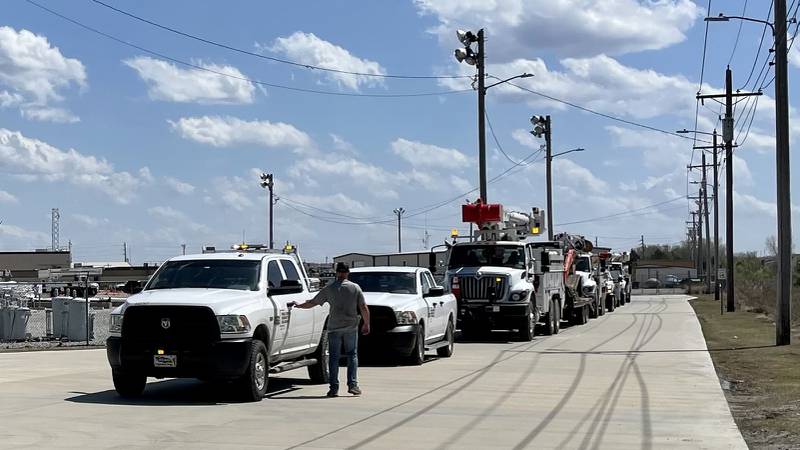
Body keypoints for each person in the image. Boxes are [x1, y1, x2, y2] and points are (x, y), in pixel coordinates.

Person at [290, 262, 370, 397]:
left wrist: (298, 305)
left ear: (337, 273)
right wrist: (366, 323)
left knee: (334, 358)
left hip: (334, 327)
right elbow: (363, 306)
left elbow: (312, 303)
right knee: (352, 355)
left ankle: (334, 388)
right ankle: (353, 385)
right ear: (347, 273)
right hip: (351, 326)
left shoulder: (329, 288)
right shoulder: (355, 288)